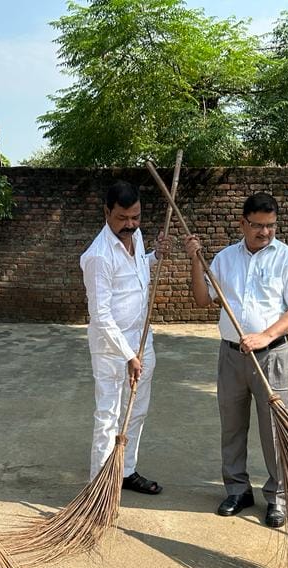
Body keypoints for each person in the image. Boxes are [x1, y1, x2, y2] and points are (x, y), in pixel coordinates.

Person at [184, 192, 288, 528]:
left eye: (270, 226)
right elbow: (202, 299)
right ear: (243, 223)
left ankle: (278, 497)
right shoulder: (226, 258)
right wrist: (195, 263)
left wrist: (266, 335)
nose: (265, 232)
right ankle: (238, 490)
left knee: (275, 431)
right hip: (231, 355)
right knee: (232, 426)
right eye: (257, 226)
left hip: (271, 356)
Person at [80, 180, 171, 493]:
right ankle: (99, 487)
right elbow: (101, 315)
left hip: (142, 340)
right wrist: (128, 355)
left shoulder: (135, 235)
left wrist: (156, 255)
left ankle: (126, 471)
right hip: (111, 349)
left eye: (136, 217)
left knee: (137, 410)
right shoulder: (98, 257)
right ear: (107, 212)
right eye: (123, 218)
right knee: (108, 416)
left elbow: (137, 270)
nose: (130, 225)